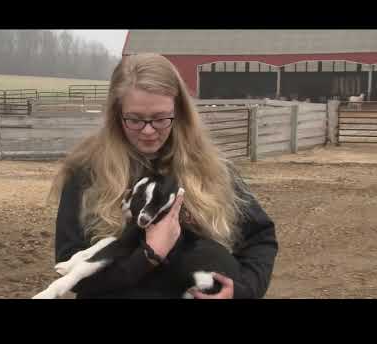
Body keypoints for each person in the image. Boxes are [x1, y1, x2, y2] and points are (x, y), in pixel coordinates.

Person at [51, 53, 278, 299]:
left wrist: (242, 291)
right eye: (135, 120)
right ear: (117, 115)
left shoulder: (210, 168)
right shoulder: (87, 171)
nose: (148, 131)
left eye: (161, 119)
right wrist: (148, 256)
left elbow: (260, 238)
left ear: (179, 112)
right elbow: (71, 267)